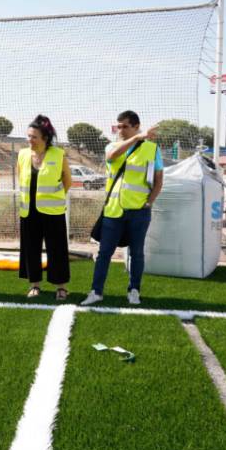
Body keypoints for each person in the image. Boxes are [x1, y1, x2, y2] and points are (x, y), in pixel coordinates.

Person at [81, 110, 163, 306]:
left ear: (136, 126)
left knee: (137, 253)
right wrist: (137, 138)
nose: (120, 130)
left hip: (139, 211)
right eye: (118, 126)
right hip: (113, 211)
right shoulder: (112, 146)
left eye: (125, 126)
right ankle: (96, 292)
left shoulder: (152, 149)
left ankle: (134, 291)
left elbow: (158, 181)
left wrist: (149, 202)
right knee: (104, 253)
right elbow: (111, 156)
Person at [18, 115, 72, 300]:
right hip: (28, 211)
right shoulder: (22, 154)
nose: (30, 140)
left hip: (53, 212)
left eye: (34, 137)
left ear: (45, 138)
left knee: (57, 249)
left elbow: (67, 180)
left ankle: (61, 288)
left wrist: (56, 197)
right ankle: (34, 285)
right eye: (28, 136)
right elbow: (21, 177)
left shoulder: (58, 154)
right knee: (30, 248)